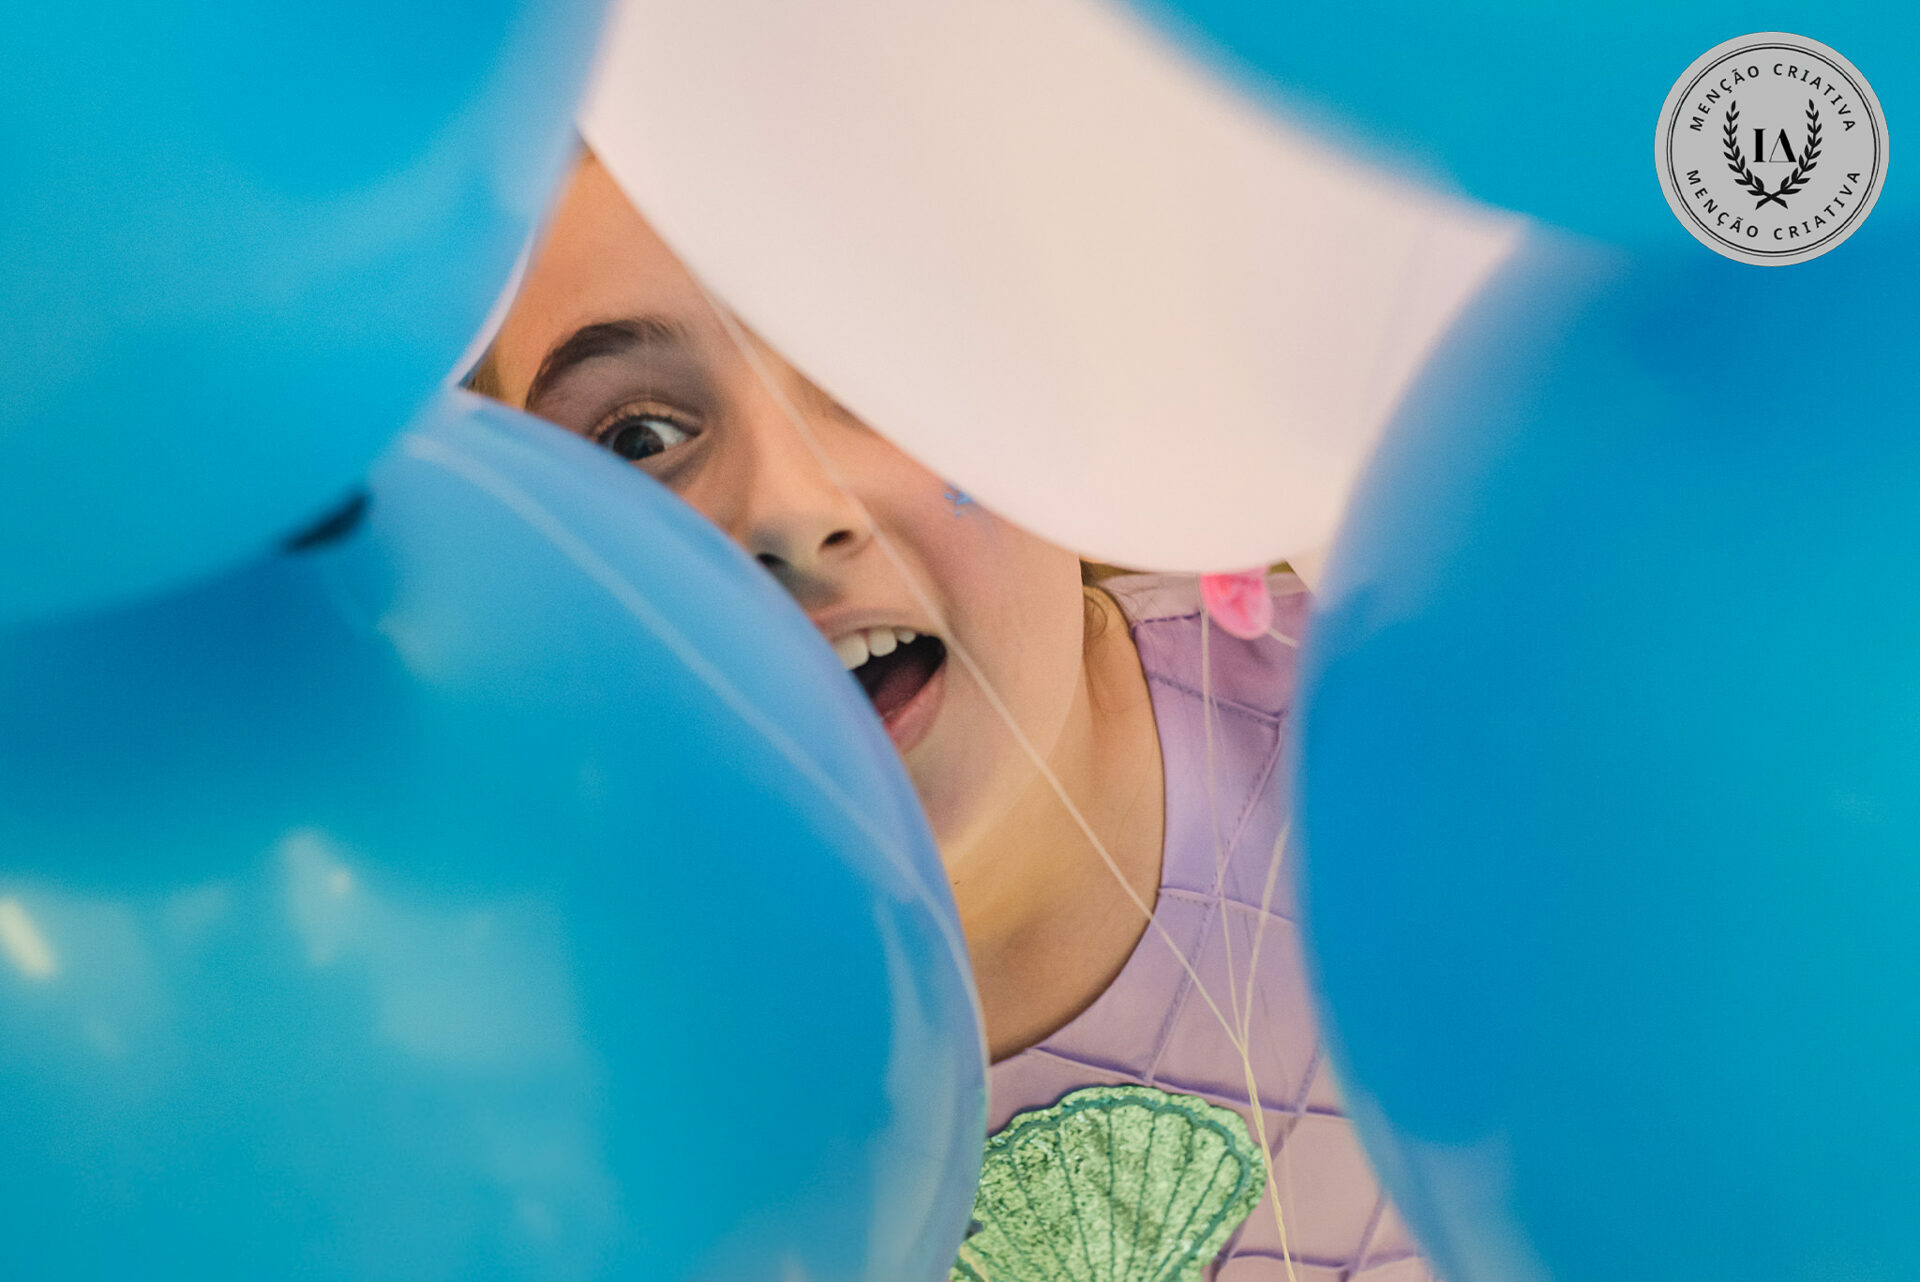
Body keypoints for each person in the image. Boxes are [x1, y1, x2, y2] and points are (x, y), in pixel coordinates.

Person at [473, 151, 1433, 1281]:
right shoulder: (549, 1072)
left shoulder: (1415, 733)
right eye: (638, 440)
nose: (792, 507)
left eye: (873, 364)